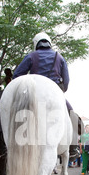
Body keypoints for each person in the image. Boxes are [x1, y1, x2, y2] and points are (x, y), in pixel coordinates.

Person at [13, 32, 80, 162]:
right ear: (49, 43)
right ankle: (73, 148)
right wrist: (61, 91)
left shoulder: (31, 56)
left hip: (34, 93)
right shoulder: (59, 57)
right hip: (54, 92)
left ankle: (10, 144)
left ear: (36, 44)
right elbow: (66, 81)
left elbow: (17, 75)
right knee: (72, 114)